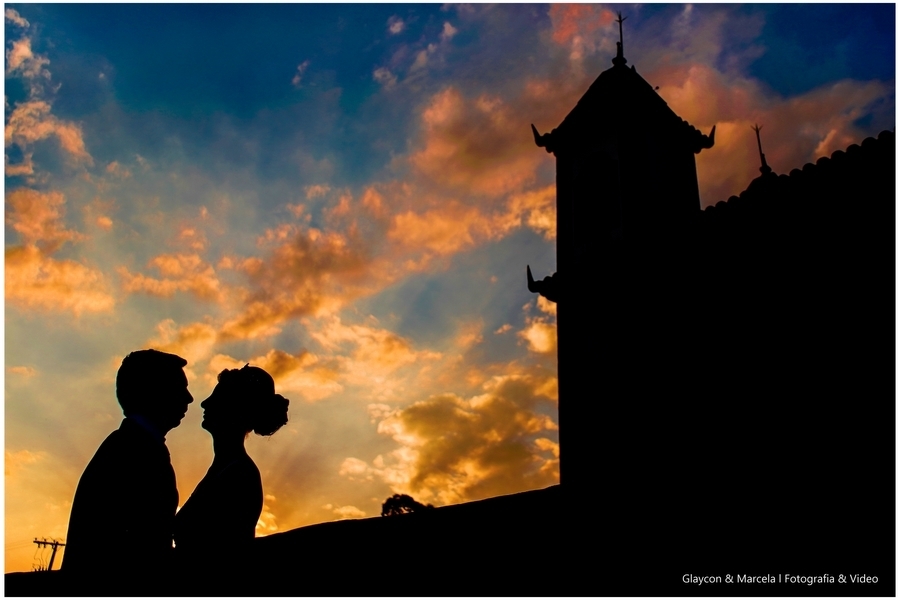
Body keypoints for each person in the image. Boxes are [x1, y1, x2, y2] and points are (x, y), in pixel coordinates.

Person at [62, 349, 193, 591]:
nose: (189, 398)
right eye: (179, 387)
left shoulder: (130, 445)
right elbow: (145, 549)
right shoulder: (136, 452)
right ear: (155, 391)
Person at [173, 365, 288, 582]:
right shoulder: (226, 468)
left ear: (236, 409)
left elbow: (224, 559)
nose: (204, 402)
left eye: (217, 398)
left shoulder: (240, 475)